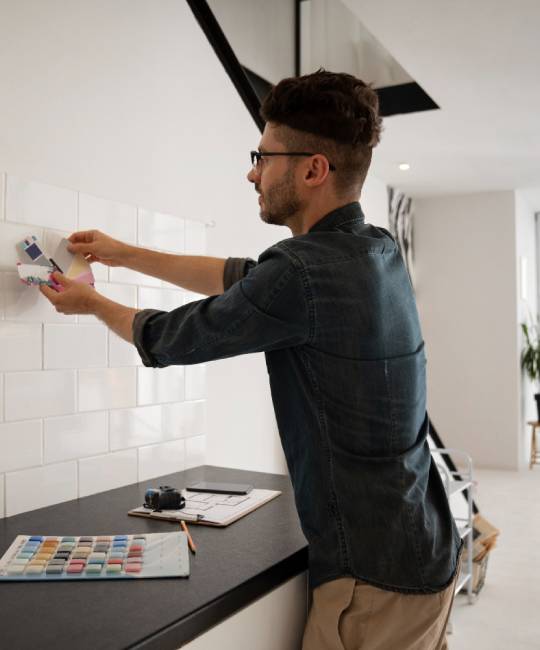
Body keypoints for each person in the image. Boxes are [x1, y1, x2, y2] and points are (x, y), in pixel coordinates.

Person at [40, 69, 462, 650]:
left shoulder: (303, 272)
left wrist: (89, 303)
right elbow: (242, 277)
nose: (251, 171)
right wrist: (124, 254)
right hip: (424, 548)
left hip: (374, 579)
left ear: (313, 168)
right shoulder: (375, 248)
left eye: (263, 156)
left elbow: (167, 338)